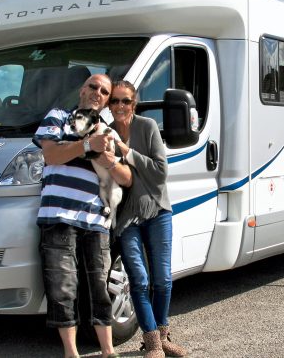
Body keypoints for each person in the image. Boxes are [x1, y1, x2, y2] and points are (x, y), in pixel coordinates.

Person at [33, 73, 131, 358]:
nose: (97, 92)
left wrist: (109, 159)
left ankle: (108, 351)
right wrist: (87, 146)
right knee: (63, 288)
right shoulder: (58, 117)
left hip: (97, 219)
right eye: (93, 86)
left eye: (104, 91)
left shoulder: (108, 130)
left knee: (100, 288)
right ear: (82, 89)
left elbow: (126, 179)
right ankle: (71, 353)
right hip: (58, 216)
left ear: (106, 100)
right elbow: (51, 155)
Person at [109, 81, 187, 358]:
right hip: (126, 218)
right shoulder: (105, 134)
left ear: (134, 103)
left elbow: (160, 172)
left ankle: (161, 338)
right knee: (139, 281)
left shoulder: (147, 126)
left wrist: (127, 152)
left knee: (163, 279)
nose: (120, 106)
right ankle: (153, 343)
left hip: (157, 210)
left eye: (126, 101)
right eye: (115, 101)